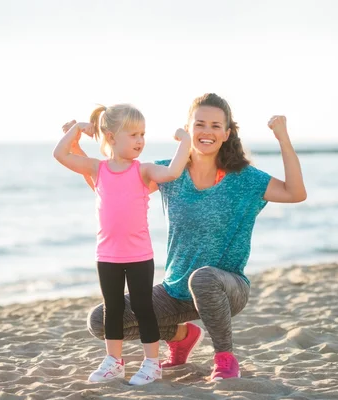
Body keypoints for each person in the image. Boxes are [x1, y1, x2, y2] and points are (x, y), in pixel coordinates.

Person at [68, 93, 307, 382]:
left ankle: (225, 357)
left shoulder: (245, 179)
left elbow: (296, 193)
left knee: (203, 278)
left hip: (226, 286)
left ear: (227, 133)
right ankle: (181, 336)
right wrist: (75, 146)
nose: (207, 131)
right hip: (176, 291)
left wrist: (282, 138)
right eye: (200, 124)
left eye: (216, 126)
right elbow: (106, 183)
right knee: (101, 320)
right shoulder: (172, 172)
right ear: (188, 128)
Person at [53, 103, 192, 385]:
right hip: (107, 255)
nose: (140, 140)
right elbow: (60, 154)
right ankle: (113, 361)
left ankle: (152, 363)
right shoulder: (97, 169)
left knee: (143, 308)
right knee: (112, 308)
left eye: (143, 134)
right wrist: (78, 129)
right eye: (133, 135)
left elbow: (174, 172)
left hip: (139, 256)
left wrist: (186, 140)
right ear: (111, 136)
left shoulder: (144, 171)